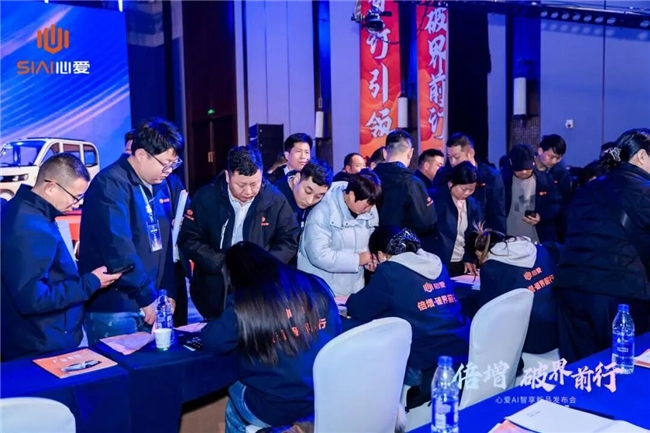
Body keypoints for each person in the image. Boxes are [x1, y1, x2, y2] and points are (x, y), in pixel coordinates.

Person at [201, 242, 341, 433]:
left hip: (274, 408)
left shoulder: (246, 304)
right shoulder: (315, 285)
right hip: (320, 397)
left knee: (233, 396)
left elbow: (212, 339)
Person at [1, 154, 120, 360]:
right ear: (50, 187)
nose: (77, 204)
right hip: (40, 344)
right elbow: (33, 299)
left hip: (35, 338)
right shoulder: (30, 227)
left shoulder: (21, 209)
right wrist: (91, 282)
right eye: (75, 197)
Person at [79, 118, 185, 343]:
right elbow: (118, 248)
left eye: (173, 164)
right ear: (142, 154)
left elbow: (165, 243)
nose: (168, 171)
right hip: (118, 307)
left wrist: (166, 292)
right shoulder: (109, 184)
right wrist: (147, 297)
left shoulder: (160, 184)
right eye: (165, 163)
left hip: (152, 301)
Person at [556, 128, 650, 363]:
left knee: (580, 371)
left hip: (570, 290)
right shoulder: (644, 190)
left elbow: (567, 229)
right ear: (641, 156)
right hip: (620, 296)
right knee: (623, 369)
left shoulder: (588, 188)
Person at [179, 146, 300, 319]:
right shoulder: (206, 198)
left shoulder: (275, 200)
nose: (248, 192)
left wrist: (263, 265)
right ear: (227, 177)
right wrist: (220, 263)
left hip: (260, 289)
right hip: (215, 285)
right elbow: (189, 238)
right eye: (241, 185)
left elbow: (289, 239)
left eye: (255, 184)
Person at [346, 226, 470, 389]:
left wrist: (378, 273)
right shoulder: (436, 262)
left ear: (381, 254)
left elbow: (358, 308)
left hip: (424, 361)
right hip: (461, 348)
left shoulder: (390, 271)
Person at [470, 225, 558, 355]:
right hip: (560, 328)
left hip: (528, 338)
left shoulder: (492, 268)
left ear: (482, 252)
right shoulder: (539, 249)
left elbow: (487, 311)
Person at [297, 170, 381, 296]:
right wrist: (358, 260)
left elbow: (367, 246)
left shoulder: (370, 211)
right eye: (366, 205)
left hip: (353, 289)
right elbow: (318, 255)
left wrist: (370, 261)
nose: (369, 209)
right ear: (351, 195)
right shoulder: (323, 211)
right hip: (321, 290)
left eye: (371, 205)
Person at [433, 133, 507, 233]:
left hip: (480, 235)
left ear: (471, 153)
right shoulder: (444, 174)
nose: (453, 162)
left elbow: (498, 214)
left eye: (456, 157)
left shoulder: (492, 177)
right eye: (450, 157)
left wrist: (497, 238)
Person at [373, 130, 437, 242]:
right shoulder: (413, 183)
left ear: (384, 152)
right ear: (410, 153)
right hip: (402, 245)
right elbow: (425, 223)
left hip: (371, 245)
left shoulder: (369, 179)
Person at [430, 162, 483, 277]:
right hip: (436, 262)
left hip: (460, 262)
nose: (467, 193)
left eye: (472, 189)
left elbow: (472, 235)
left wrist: (469, 258)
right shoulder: (435, 200)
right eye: (464, 189)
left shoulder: (473, 205)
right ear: (451, 184)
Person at [502, 144, 562, 243]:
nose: (524, 172)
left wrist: (541, 217)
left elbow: (556, 205)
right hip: (508, 239)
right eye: (520, 169)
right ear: (511, 162)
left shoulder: (545, 181)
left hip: (537, 239)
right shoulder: (502, 182)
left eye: (527, 168)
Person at [276, 160, 333, 230]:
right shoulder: (273, 200)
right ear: (297, 179)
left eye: (318, 196)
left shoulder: (322, 204)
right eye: (308, 192)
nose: (309, 201)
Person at [535, 134, 571, 241]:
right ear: (540, 151)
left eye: (559, 158)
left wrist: (542, 216)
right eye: (551, 157)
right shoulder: (525, 169)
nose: (554, 161)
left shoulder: (561, 174)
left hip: (549, 229)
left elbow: (564, 202)